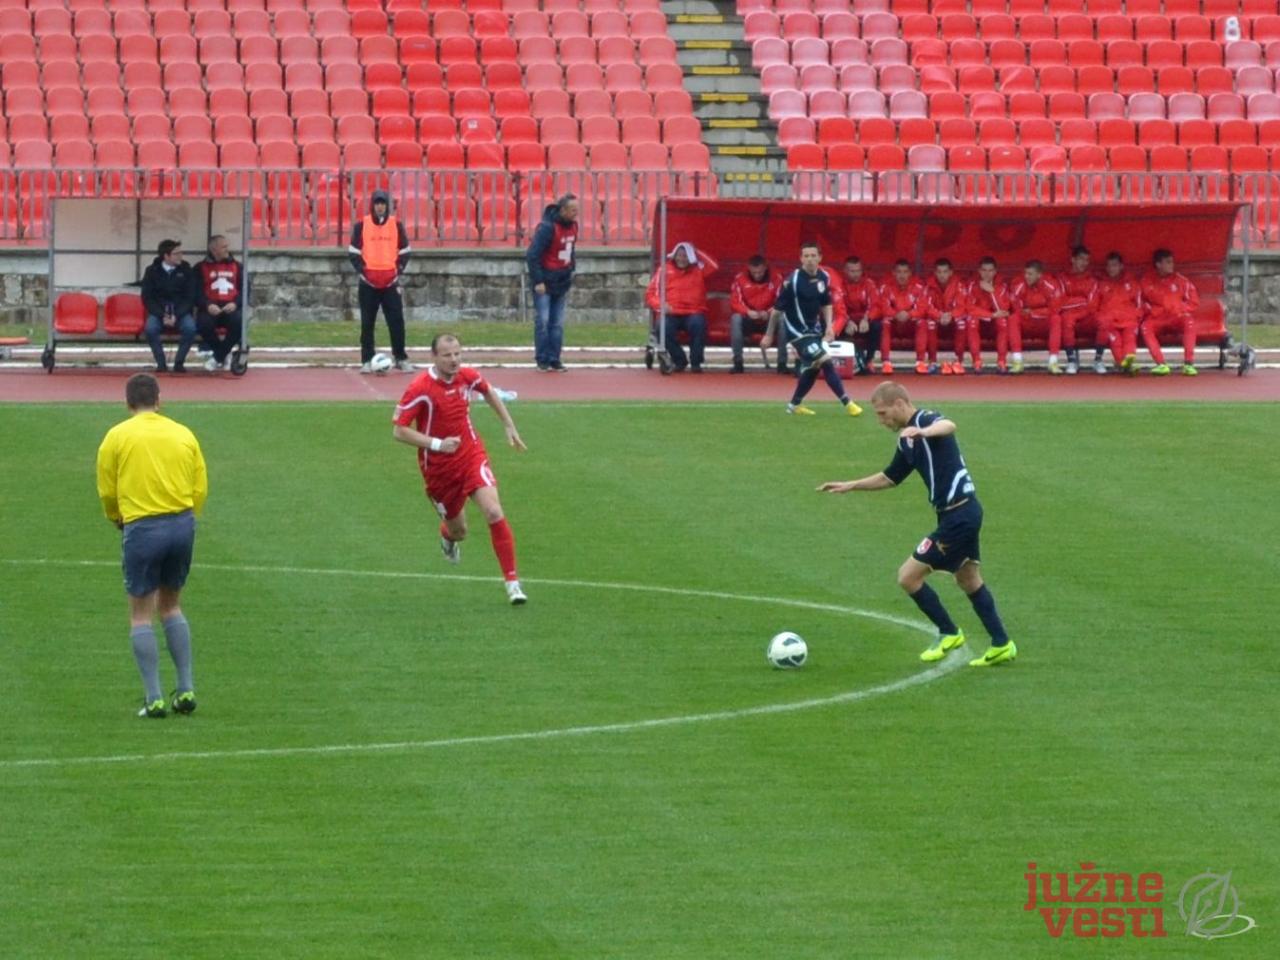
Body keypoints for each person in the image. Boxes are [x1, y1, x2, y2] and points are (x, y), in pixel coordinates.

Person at [818, 381, 1015, 667]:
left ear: (900, 403)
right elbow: (890, 477)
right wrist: (852, 485)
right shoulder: (906, 440)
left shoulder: (925, 420)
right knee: (968, 579)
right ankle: (1002, 644)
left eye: (883, 413)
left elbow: (949, 425)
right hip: (957, 515)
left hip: (960, 516)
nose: (881, 420)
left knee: (908, 577)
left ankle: (949, 632)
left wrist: (923, 431)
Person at [95, 373, 208, 717]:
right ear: (159, 400)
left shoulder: (116, 437)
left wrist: (117, 517)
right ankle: (186, 689)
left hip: (143, 527)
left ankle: (154, 696)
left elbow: (107, 489)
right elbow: (199, 484)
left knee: (140, 614)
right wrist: (189, 516)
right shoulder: (183, 433)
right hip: (182, 523)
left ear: (128, 403)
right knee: (171, 606)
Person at [392, 333, 529, 605]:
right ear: (434, 357)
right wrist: (437, 444)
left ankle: (513, 583)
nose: (454, 360)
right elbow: (399, 431)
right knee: (459, 531)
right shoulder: (420, 387)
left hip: (470, 454)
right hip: (439, 469)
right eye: (447, 355)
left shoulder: (467, 376)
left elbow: (488, 390)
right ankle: (448, 537)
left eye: (457, 354)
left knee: (493, 510)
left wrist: (508, 424)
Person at [761, 241, 863, 417]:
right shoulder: (792, 281)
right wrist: (768, 335)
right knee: (826, 360)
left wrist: (830, 327)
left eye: (813, 255)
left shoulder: (823, 277)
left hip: (814, 330)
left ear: (820, 258)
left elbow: (826, 303)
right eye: (806, 256)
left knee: (814, 368)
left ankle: (794, 406)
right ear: (800, 258)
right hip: (797, 332)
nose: (809, 259)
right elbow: (777, 312)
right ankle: (848, 403)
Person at [349, 189, 414, 374]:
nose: (380, 207)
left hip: (390, 284)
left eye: (383, 203)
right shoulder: (361, 226)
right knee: (367, 323)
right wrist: (363, 272)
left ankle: (400, 357)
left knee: (396, 321)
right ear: (372, 205)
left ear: (388, 206)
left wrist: (397, 272)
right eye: (377, 203)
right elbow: (353, 252)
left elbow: (405, 251)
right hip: (368, 284)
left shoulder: (397, 226)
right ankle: (367, 359)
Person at [644, 241, 718, 373]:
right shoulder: (664, 269)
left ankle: (696, 362)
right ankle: (679, 360)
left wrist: (695, 250)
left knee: (698, 324)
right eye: (679, 255)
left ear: (690, 257)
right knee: (662, 327)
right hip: (671, 312)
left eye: (685, 255)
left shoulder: (699, 270)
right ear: (674, 255)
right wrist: (660, 305)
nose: (682, 259)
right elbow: (650, 294)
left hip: (693, 312)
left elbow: (713, 265)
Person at [525, 193, 578, 372]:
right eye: (572, 210)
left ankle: (555, 358)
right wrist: (538, 280)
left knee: (557, 323)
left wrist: (571, 268)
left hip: (562, 280)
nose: (575, 213)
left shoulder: (573, 227)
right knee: (543, 321)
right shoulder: (547, 228)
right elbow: (533, 255)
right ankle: (542, 359)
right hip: (545, 281)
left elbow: (571, 250)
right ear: (562, 210)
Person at [140, 239, 199, 374]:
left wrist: (176, 314)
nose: (180, 256)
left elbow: (190, 297)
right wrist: (162, 314)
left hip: (181, 311)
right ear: (166, 256)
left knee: (190, 328)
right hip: (159, 311)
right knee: (150, 329)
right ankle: (161, 363)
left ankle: (179, 362)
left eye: (181, 253)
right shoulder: (151, 271)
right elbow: (147, 297)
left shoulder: (186, 270)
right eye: (176, 253)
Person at [1140, 248, 1201, 376]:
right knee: (1146, 327)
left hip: (1176, 318)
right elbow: (1141, 301)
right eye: (1168, 262)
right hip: (1157, 318)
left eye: (1172, 262)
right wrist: (1152, 311)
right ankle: (1161, 364)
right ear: (1158, 264)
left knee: (1189, 322)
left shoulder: (1181, 281)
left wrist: (1180, 310)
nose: (1171, 265)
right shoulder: (1147, 281)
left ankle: (1189, 364)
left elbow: (1194, 301)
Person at [195, 234, 245, 373]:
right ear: (213, 249)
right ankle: (223, 353)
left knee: (239, 322)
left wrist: (235, 303)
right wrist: (207, 304)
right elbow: (196, 292)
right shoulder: (200, 267)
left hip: (231, 307)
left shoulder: (238, 266)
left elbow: (246, 290)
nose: (227, 249)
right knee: (203, 323)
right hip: (210, 308)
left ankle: (217, 357)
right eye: (224, 247)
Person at [728, 255, 781, 374]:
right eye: (754, 272)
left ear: (766, 268)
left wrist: (768, 313)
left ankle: (782, 363)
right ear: (748, 269)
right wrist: (747, 312)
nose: (757, 275)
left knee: (782, 319)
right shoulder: (740, 279)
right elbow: (735, 302)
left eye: (760, 272)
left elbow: (781, 301)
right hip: (749, 318)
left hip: (769, 320)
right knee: (735, 318)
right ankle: (738, 362)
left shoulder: (776, 278)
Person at [1009, 259, 1061, 374]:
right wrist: (1030, 313)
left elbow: (1054, 309)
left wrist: (1033, 312)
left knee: (1056, 319)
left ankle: (1053, 362)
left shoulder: (1050, 285)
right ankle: (1017, 361)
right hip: (1027, 323)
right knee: (1013, 318)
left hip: (1043, 323)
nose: (1027, 277)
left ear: (1039, 275)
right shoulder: (1019, 284)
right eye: (1026, 273)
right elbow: (1017, 308)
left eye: (1030, 274)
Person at [1054, 245, 1100, 375]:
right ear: (1073, 259)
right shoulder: (1062, 277)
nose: (1084, 263)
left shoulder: (1092, 279)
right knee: (1066, 320)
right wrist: (1081, 301)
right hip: (1069, 316)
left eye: (1086, 260)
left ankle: (1098, 360)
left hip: (1087, 316)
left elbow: (1092, 305)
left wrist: (1075, 303)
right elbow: (1060, 302)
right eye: (1081, 259)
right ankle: (1071, 360)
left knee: (1104, 321)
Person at [876, 259, 927, 375]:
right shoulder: (886, 288)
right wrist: (895, 314)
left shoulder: (918, 288)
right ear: (893, 273)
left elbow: (922, 308)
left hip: (910, 325)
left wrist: (909, 314)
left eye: (905, 272)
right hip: (894, 324)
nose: (902, 275)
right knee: (885, 322)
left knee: (922, 322)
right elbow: (883, 307)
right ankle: (886, 362)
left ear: (910, 273)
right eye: (899, 272)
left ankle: (920, 362)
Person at [922, 258, 972, 376]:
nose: (942, 275)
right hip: (937, 319)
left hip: (952, 320)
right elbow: (926, 306)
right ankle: (932, 361)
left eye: (945, 272)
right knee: (929, 323)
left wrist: (951, 315)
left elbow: (962, 306)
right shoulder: (929, 285)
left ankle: (958, 361)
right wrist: (939, 315)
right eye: (939, 272)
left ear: (951, 272)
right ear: (935, 273)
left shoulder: (959, 285)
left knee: (962, 323)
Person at [1096, 252, 1143, 375]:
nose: (1111, 268)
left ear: (1121, 266)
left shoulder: (1131, 282)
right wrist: (1101, 318)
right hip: (1109, 321)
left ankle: (1127, 362)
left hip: (1129, 320)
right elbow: (1094, 304)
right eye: (1109, 265)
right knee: (1115, 342)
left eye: (1114, 265)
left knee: (1129, 339)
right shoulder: (1101, 284)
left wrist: (1136, 316)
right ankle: (1124, 363)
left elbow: (1139, 302)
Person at [965, 256, 1012, 374]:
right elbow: (970, 309)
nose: (987, 274)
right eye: (984, 270)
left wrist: (992, 292)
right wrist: (991, 315)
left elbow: (1003, 309)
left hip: (994, 325)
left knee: (1003, 321)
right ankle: (977, 361)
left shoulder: (1002, 286)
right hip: (981, 322)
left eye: (990, 270)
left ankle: (1001, 362)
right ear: (979, 271)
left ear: (995, 272)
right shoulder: (972, 285)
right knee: (972, 320)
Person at [836, 256, 881, 375]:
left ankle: (869, 360)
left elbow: (876, 306)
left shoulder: (869, 284)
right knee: (835, 326)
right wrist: (846, 321)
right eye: (852, 271)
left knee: (877, 326)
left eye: (858, 271)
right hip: (847, 321)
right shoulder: (839, 284)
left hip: (863, 321)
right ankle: (849, 362)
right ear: (845, 271)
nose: (856, 274)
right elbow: (838, 306)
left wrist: (867, 318)